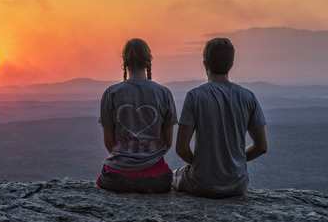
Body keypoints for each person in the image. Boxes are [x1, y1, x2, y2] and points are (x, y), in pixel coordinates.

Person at [173, 37, 267, 198]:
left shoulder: (195, 96)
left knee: (173, 176)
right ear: (231, 64)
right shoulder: (248, 97)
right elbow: (261, 146)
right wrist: (233, 161)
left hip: (201, 183)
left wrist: (201, 165)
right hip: (237, 185)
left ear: (205, 64)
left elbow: (181, 148)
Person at [96, 38, 178, 193]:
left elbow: (109, 143)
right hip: (156, 178)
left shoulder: (111, 93)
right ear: (149, 60)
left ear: (124, 61)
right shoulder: (164, 93)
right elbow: (167, 143)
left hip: (116, 177)